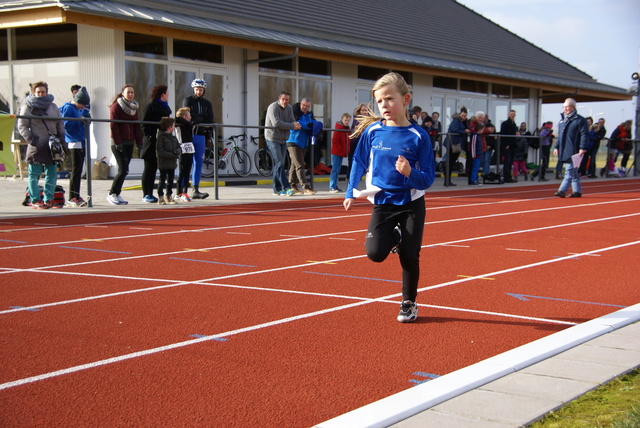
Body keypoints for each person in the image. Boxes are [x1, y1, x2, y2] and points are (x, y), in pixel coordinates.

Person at [343, 72, 435, 323]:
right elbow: (359, 163)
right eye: (379, 101)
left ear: (405, 100)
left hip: (411, 204)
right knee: (374, 253)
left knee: (409, 255)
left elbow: (427, 178)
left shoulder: (419, 136)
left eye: (389, 99)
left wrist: (409, 172)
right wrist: (351, 190)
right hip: (382, 203)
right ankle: (395, 236)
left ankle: (408, 303)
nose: (384, 105)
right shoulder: (372, 131)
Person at [18, 81, 66, 209]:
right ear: (34, 92)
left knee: (52, 173)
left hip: (52, 146)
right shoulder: (27, 107)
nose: (41, 94)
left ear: (47, 92)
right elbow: (22, 126)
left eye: (43, 91)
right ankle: (35, 199)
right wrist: (31, 139)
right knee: (34, 174)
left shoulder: (53, 106)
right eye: (38, 92)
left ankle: (49, 198)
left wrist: (61, 138)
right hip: (36, 145)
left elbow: (60, 123)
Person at [107, 84, 143, 205]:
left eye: (132, 92)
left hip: (129, 142)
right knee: (123, 169)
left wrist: (139, 143)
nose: (131, 94)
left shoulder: (134, 108)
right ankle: (112, 193)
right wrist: (117, 142)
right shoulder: (116, 107)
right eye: (128, 92)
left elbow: (136, 127)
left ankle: (117, 193)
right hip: (118, 142)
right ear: (123, 93)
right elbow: (113, 125)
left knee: (125, 170)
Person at [264, 91, 300, 196]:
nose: (285, 102)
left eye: (287, 100)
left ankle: (277, 189)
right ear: (279, 98)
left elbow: (292, 120)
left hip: (283, 139)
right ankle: (286, 187)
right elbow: (276, 123)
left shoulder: (289, 108)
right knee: (279, 162)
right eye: (283, 99)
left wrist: (296, 124)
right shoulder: (273, 107)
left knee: (279, 163)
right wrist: (292, 126)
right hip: (272, 138)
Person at [59, 86, 90, 207]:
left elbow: (82, 120)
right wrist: (79, 120)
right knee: (76, 170)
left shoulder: (79, 109)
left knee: (79, 170)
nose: (83, 107)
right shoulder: (68, 108)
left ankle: (76, 194)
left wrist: (86, 119)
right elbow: (66, 125)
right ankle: (72, 196)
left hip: (81, 140)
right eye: (82, 104)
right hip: (73, 141)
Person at [184, 78, 214, 199]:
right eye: (197, 89)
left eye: (201, 90)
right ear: (193, 89)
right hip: (189, 135)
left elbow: (210, 118)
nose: (199, 92)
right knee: (186, 162)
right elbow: (186, 115)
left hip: (200, 135)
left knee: (199, 162)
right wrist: (200, 117)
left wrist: (199, 118)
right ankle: (182, 190)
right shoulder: (188, 100)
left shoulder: (207, 103)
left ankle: (195, 189)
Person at [141, 85, 171, 203]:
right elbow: (144, 123)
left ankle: (150, 193)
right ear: (162, 94)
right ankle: (145, 194)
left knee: (154, 168)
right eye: (167, 92)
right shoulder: (151, 106)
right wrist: (149, 136)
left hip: (160, 141)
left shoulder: (166, 108)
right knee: (148, 167)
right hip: (150, 142)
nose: (168, 94)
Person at [554, 98, 588, 198]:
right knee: (573, 172)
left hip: (574, 149)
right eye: (564, 107)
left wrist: (582, 147)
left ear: (573, 107)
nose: (565, 109)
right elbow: (560, 136)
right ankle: (577, 191)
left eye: (567, 107)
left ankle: (562, 190)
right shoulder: (562, 121)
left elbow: (584, 134)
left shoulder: (580, 120)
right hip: (564, 149)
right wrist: (556, 147)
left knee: (569, 170)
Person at [287, 98, 320, 195]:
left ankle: (293, 186)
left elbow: (314, 123)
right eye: (304, 105)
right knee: (300, 164)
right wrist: (310, 125)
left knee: (294, 164)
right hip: (293, 141)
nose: (305, 108)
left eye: (307, 106)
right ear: (300, 104)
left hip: (303, 142)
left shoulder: (309, 115)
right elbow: (299, 124)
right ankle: (306, 186)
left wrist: (314, 125)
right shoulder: (294, 112)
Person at [155, 117, 181, 205]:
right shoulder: (160, 137)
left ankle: (169, 196)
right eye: (173, 125)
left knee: (170, 180)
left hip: (172, 163)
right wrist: (172, 155)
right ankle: (160, 196)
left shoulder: (173, 137)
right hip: (163, 163)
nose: (174, 127)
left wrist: (177, 151)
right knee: (162, 180)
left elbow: (178, 147)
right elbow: (160, 151)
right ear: (168, 126)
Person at [443, 109, 469, 186]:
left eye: (465, 116)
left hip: (456, 144)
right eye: (462, 116)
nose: (463, 117)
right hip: (453, 144)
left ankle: (448, 180)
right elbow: (454, 130)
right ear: (459, 115)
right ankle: (447, 180)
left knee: (452, 162)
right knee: (450, 162)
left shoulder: (462, 122)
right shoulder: (456, 121)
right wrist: (464, 131)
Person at [175, 107, 194, 202]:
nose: (191, 117)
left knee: (187, 172)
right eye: (189, 115)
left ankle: (185, 191)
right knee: (182, 171)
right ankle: (178, 193)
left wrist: (190, 124)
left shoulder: (190, 125)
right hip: (182, 148)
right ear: (185, 116)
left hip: (190, 148)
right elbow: (176, 118)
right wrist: (187, 123)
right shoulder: (179, 123)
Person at [347, 103, 370, 183]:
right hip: (355, 142)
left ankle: (357, 176)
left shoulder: (369, 119)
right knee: (354, 159)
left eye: (365, 110)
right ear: (359, 111)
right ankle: (351, 177)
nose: (364, 112)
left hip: (363, 142)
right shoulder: (357, 119)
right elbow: (360, 128)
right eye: (362, 110)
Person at [329, 112, 351, 192]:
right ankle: (332, 186)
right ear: (342, 119)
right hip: (337, 152)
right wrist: (340, 150)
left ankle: (334, 185)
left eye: (348, 120)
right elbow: (335, 140)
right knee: (335, 169)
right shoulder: (339, 128)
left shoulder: (346, 129)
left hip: (341, 152)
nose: (347, 122)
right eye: (346, 120)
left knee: (337, 170)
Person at [500, 110, 518, 183]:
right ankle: (506, 177)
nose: (512, 115)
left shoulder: (514, 124)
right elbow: (503, 134)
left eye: (513, 114)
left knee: (510, 162)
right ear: (508, 115)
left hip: (512, 145)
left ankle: (509, 176)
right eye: (511, 114)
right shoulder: (505, 123)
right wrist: (506, 144)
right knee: (507, 162)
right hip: (507, 145)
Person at [467, 118, 483, 185]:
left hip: (478, 154)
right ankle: (473, 179)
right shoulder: (475, 136)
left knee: (477, 168)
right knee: (475, 168)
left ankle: (475, 179)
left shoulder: (477, 136)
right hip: (476, 155)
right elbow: (473, 146)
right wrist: (473, 155)